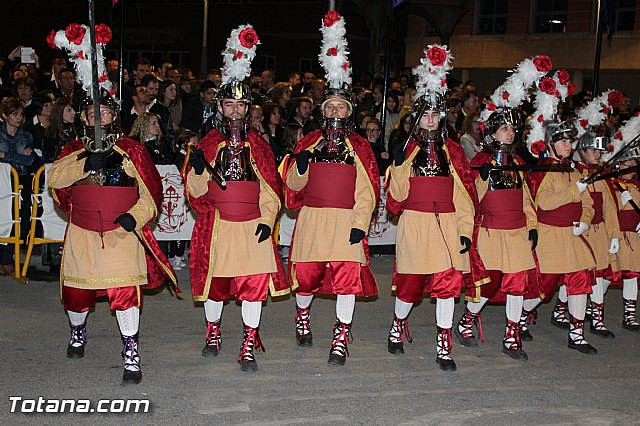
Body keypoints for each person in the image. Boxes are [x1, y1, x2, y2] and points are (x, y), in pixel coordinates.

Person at [47, 94, 177, 385]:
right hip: (83, 230)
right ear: (84, 119)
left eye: (103, 113)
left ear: (114, 117)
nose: (98, 118)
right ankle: (77, 331)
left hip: (121, 232)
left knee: (125, 294)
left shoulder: (132, 150)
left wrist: (137, 216)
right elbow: (55, 180)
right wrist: (84, 165)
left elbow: (150, 191)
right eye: (92, 114)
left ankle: (131, 352)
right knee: (77, 296)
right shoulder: (73, 149)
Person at [184, 24, 288, 372]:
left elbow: (272, 190)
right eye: (228, 104)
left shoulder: (259, 144)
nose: (234, 111)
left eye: (240, 105)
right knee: (216, 283)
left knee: (253, 285)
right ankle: (213, 331)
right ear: (220, 107)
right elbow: (195, 192)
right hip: (218, 224)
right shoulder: (208, 142)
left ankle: (248, 341)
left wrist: (266, 221)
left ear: (248, 109)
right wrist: (198, 168)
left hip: (251, 226)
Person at [284, 11, 380, 366]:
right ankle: (303, 315)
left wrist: (360, 223)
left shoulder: (360, 145)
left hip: (345, 223)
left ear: (349, 111)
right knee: (306, 278)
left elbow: (368, 189)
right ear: (323, 111)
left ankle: (341, 335)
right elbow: (291, 188)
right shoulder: (308, 140)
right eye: (331, 106)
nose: (336, 110)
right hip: (313, 219)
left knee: (346, 279)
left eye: (342, 106)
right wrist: (302, 167)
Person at [384, 45, 483, 372]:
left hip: (449, 227)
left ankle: (444, 342)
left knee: (447, 285)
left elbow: (465, 196)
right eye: (425, 115)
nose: (430, 119)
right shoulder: (408, 150)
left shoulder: (453, 151)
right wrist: (398, 167)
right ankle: (398, 323)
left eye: (435, 114)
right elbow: (396, 200)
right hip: (416, 225)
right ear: (416, 118)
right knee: (410, 286)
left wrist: (466, 231)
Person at [456, 107, 538, 361]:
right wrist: (480, 178)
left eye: (513, 129)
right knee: (487, 285)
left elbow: (527, 200)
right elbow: (468, 199)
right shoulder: (479, 161)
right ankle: (466, 321)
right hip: (490, 232)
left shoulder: (518, 163)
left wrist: (532, 225)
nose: (511, 133)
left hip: (516, 232)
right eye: (505, 129)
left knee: (516, 286)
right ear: (491, 133)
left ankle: (511, 336)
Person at [522, 120, 598, 354]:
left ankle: (576, 334)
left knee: (580, 281)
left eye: (569, 140)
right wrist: (576, 190)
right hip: (550, 235)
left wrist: (585, 221)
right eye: (563, 141)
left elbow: (589, 203)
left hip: (573, 235)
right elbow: (544, 202)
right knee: (544, 286)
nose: (568, 145)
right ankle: (522, 315)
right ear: (551, 144)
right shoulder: (544, 168)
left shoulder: (574, 170)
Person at [0, 97, 37, 275]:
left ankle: (8, 257)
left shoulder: (27, 136)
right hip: (2, 181)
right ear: (4, 115)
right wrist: (17, 155)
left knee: (19, 219)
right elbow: (22, 158)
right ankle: (4, 258)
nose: (19, 118)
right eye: (15, 114)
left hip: (21, 181)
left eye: (21, 114)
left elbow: (29, 160)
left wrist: (5, 155)